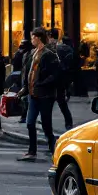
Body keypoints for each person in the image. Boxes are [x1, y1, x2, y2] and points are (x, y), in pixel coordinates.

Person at [18, 28, 62, 162]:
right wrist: (25, 88)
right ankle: (32, 151)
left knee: (46, 124)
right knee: (30, 122)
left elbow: (55, 74)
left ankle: (53, 147)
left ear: (38, 38)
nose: (31, 40)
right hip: (33, 94)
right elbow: (29, 73)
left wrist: (42, 83)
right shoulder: (32, 53)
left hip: (45, 95)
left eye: (32, 37)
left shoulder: (49, 54)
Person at [48, 27, 76, 130]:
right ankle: (68, 122)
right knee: (61, 103)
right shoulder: (65, 48)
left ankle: (48, 124)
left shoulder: (51, 48)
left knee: (54, 103)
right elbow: (70, 64)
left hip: (54, 79)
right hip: (61, 79)